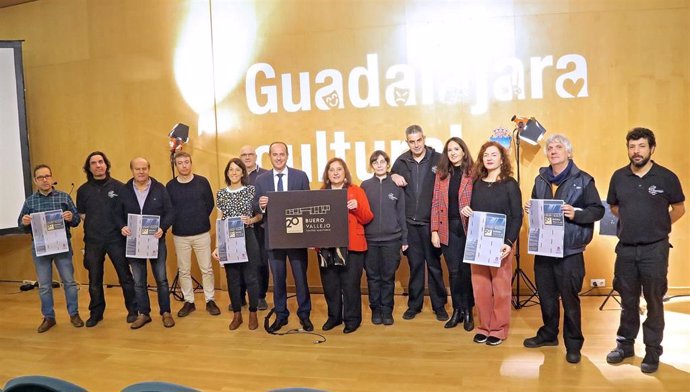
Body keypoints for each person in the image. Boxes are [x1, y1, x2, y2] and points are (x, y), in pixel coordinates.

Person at [605, 127, 685, 373]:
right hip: (626, 250)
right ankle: (625, 345)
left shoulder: (666, 177)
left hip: (655, 250)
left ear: (652, 148)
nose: (636, 151)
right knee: (627, 301)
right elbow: (615, 207)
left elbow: (679, 209)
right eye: (632, 146)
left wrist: (657, 225)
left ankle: (652, 351)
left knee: (653, 301)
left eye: (641, 146)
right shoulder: (618, 177)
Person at [521, 135, 604, 364]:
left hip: (570, 250)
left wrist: (576, 213)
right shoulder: (540, 179)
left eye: (559, 147)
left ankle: (574, 344)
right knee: (546, 296)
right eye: (550, 148)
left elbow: (597, 211)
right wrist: (530, 206)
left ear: (569, 153)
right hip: (544, 248)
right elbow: (537, 206)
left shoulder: (584, 180)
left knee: (569, 299)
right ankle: (549, 334)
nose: (553, 151)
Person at [461, 141, 522, 346]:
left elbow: (517, 216)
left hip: (501, 244)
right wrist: (467, 212)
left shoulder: (510, 184)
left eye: (494, 154)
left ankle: (498, 329)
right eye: (485, 154)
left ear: (502, 158)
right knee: (480, 288)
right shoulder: (477, 183)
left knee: (501, 288)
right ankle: (484, 326)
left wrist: (509, 242)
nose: (489, 158)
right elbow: (475, 212)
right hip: (478, 242)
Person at [253, 142, 313, 332]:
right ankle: (281, 315)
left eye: (282, 154)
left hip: (296, 236)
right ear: (269, 156)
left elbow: (308, 204)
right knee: (278, 278)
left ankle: (304, 315)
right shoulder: (261, 180)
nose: (278, 158)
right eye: (274, 154)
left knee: (300, 278)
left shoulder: (300, 176)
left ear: (287, 156)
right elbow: (255, 206)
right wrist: (261, 205)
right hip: (273, 236)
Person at [390, 125, 448, 321]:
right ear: (407, 142)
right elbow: (390, 186)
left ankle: (439, 305)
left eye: (419, 140)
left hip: (431, 224)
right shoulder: (400, 162)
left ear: (424, 139)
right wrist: (392, 176)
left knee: (434, 265)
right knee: (415, 266)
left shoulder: (439, 159)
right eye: (411, 141)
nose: (416, 144)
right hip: (409, 224)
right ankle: (414, 305)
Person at [18, 164, 83, 333]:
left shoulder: (63, 197)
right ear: (35, 181)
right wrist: (24, 222)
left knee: (69, 282)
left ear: (52, 178)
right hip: (40, 248)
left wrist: (70, 217)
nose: (45, 180)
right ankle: (49, 317)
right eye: (41, 177)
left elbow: (76, 220)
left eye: (47, 176)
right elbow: (21, 226)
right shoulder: (30, 201)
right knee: (45, 285)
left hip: (62, 246)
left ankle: (74, 314)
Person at [76, 151, 137, 327]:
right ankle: (96, 313)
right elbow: (82, 214)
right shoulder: (83, 190)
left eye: (101, 162)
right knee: (95, 280)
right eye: (93, 163)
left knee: (125, 277)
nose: (98, 165)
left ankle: (133, 311)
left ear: (106, 164)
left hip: (116, 239)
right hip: (93, 241)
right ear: (89, 168)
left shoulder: (119, 187)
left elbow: (126, 212)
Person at [115, 157, 175, 329]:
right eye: (137, 169)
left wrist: (163, 227)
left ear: (149, 169)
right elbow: (116, 214)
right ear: (132, 170)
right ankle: (144, 314)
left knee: (161, 279)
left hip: (156, 240)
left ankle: (166, 312)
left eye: (144, 168)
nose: (141, 172)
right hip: (134, 241)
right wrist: (122, 227)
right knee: (138, 281)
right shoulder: (124, 190)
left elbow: (170, 212)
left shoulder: (160, 189)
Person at [318, 158, 373, 333]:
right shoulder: (321, 193)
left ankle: (352, 320)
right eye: (331, 169)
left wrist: (356, 207)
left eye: (339, 169)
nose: (335, 172)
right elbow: (313, 221)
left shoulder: (356, 191)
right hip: (327, 247)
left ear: (345, 172)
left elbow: (367, 217)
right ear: (327, 174)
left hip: (352, 247)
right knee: (330, 285)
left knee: (350, 285)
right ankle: (334, 318)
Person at [166, 152, 221, 318]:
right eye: (180, 163)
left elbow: (210, 204)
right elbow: (168, 209)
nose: (184, 165)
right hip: (180, 235)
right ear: (176, 166)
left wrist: (198, 217)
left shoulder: (202, 182)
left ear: (191, 163)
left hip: (201, 232)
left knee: (207, 269)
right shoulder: (170, 186)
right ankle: (189, 301)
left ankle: (210, 300)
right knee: (184, 270)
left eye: (187, 162)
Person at [430, 137, 475, 331]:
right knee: (454, 272)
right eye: (449, 150)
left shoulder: (474, 173)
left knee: (467, 272)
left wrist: (474, 210)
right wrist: (434, 231)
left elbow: (481, 198)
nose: (453, 153)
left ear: (464, 151)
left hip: (468, 228)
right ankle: (457, 310)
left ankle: (468, 311)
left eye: (457, 149)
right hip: (447, 228)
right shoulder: (441, 175)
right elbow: (435, 203)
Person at [212, 158, 262, 330]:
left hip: (248, 236)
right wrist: (218, 246)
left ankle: (253, 313)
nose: (234, 173)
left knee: (251, 278)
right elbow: (219, 220)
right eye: (231, 170)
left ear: (243, 172)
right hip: (227, 238)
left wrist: (251, 220)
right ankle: (237, 315)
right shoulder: (221, 193)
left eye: (237, 170)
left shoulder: (251, 190)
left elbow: (260, 216)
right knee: (232, 279)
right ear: (227, 173)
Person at [362, 151, 408, 326]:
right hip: (370, 240)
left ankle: (387, 310)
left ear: (388, 165)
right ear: (371, 165)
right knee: (373, 277)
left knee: (388, 277)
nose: (379, 165)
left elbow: (401, 213)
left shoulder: (396, 185)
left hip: (392, 240)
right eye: (375, 162)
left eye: (382, 162)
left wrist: (404, 239)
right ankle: (376, 310)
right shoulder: (365, 186)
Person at [240, 145, 269, 310]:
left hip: (260, 226)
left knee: (260, 262)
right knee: (241, 260)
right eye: (244, 155)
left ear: (256, 156)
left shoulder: (265, 175)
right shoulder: (236, 174)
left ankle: (260, 296)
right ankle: (241, 296)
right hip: (240, 227)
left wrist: (254, 219)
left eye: (250, 154)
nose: (247, 157)